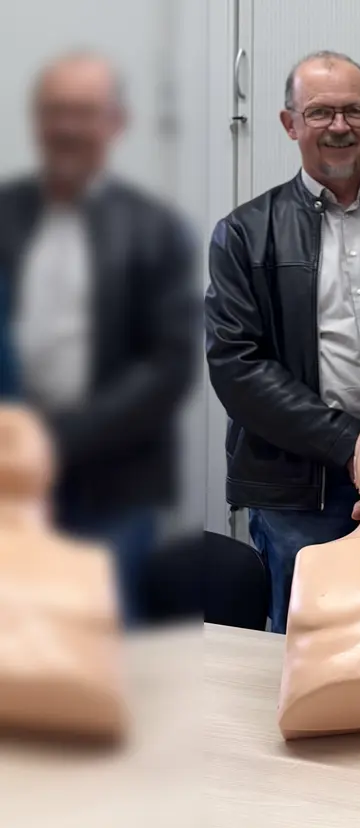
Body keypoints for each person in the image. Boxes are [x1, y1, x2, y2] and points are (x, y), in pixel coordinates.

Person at [206, 50, 360, 634]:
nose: (339, 126)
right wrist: (352, 446)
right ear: (290, 123)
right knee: (308, 646)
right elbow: (237, 367)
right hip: (299, 490)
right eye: (320, 112)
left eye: (353, 111)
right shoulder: (243, 232)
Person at [0, 52, 198, 623]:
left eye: (83, 112)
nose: (67, 127)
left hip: (110, 490)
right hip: (4, 481)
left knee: (98, 656)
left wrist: (52, 442)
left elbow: (167, 368)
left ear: (116, 122)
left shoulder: (154, 229)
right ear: (37, 121)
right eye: (55, 111)